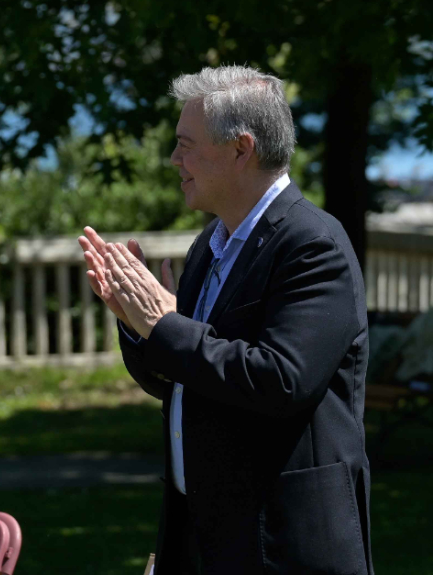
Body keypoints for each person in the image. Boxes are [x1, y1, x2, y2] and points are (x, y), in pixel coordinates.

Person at [80, 66, 373, 574]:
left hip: (279, 543)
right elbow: (183, 379)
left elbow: (281, 379)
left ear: (241, 149)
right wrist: (138, 325)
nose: (175, 159)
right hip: (202, 535)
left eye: (185, 144)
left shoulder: (312, 244)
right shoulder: (209, 245)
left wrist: (165, 326)